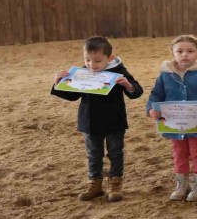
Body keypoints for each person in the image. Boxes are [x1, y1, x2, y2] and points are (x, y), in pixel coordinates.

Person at [51, 36, 143, 202]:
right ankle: (95, 184)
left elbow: (137, 91)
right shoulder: (82, 73)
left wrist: (128, 85)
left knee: (115, 152)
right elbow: (72, 96)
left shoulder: (119, 71)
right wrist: (58, 83)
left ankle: (115, 183)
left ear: (110, 57)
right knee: (93, 154)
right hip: (90, 121)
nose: (92, 65)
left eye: (98, 61)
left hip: (114, 121)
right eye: (87, 60)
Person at [146, 35, 197, 202]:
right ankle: (181, 185)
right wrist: (151, 109)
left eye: (190, 51)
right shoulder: (165, 75)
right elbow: (156, 95)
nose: (184, 54)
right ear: (173, 53)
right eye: (180, 51)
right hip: (174, 125)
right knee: (178, 154)